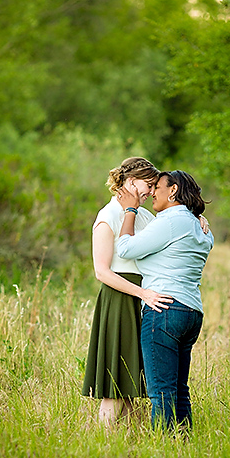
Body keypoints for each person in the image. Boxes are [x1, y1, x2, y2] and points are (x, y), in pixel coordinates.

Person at [116, 170, 214, 432]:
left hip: (164, 310)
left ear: (173, 191)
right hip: (191, 311)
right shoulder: (198, 225)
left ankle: (164, 450)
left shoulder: (170, 221)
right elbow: (207, 236)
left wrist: (130, 210)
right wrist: (199, 216)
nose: (153, 194)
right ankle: (182, 447)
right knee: (179, 391)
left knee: (161, 392)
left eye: (158, 187)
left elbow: (125, 248)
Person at [81, 157, 174, 427]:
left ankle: (128, 450)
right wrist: (142, 293)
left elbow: (170, 230)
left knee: (132, 384)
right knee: (115, 385)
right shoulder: (107, 216)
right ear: (130, 182)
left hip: (142, 299)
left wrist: (198, 218)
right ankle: (102, 447)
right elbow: (102, 271)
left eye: (154, 186)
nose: (151, 192)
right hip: (121, 300)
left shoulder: (144, 215)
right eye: (148, 184)